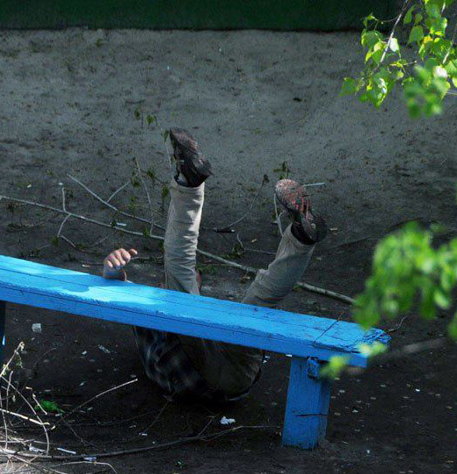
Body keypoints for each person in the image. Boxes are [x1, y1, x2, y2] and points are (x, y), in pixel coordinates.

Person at [102, 128, 327, 403]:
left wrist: (113, 275)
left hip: (226, 375)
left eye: (194, 280)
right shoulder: (155, 311)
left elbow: (122, 295)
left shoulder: (190, 316)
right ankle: (300, 241)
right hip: (212, 379)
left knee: (255, 302)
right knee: (256, 297)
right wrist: (113, 270)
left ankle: (301, 236)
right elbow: (119, 294)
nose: (168, 285)